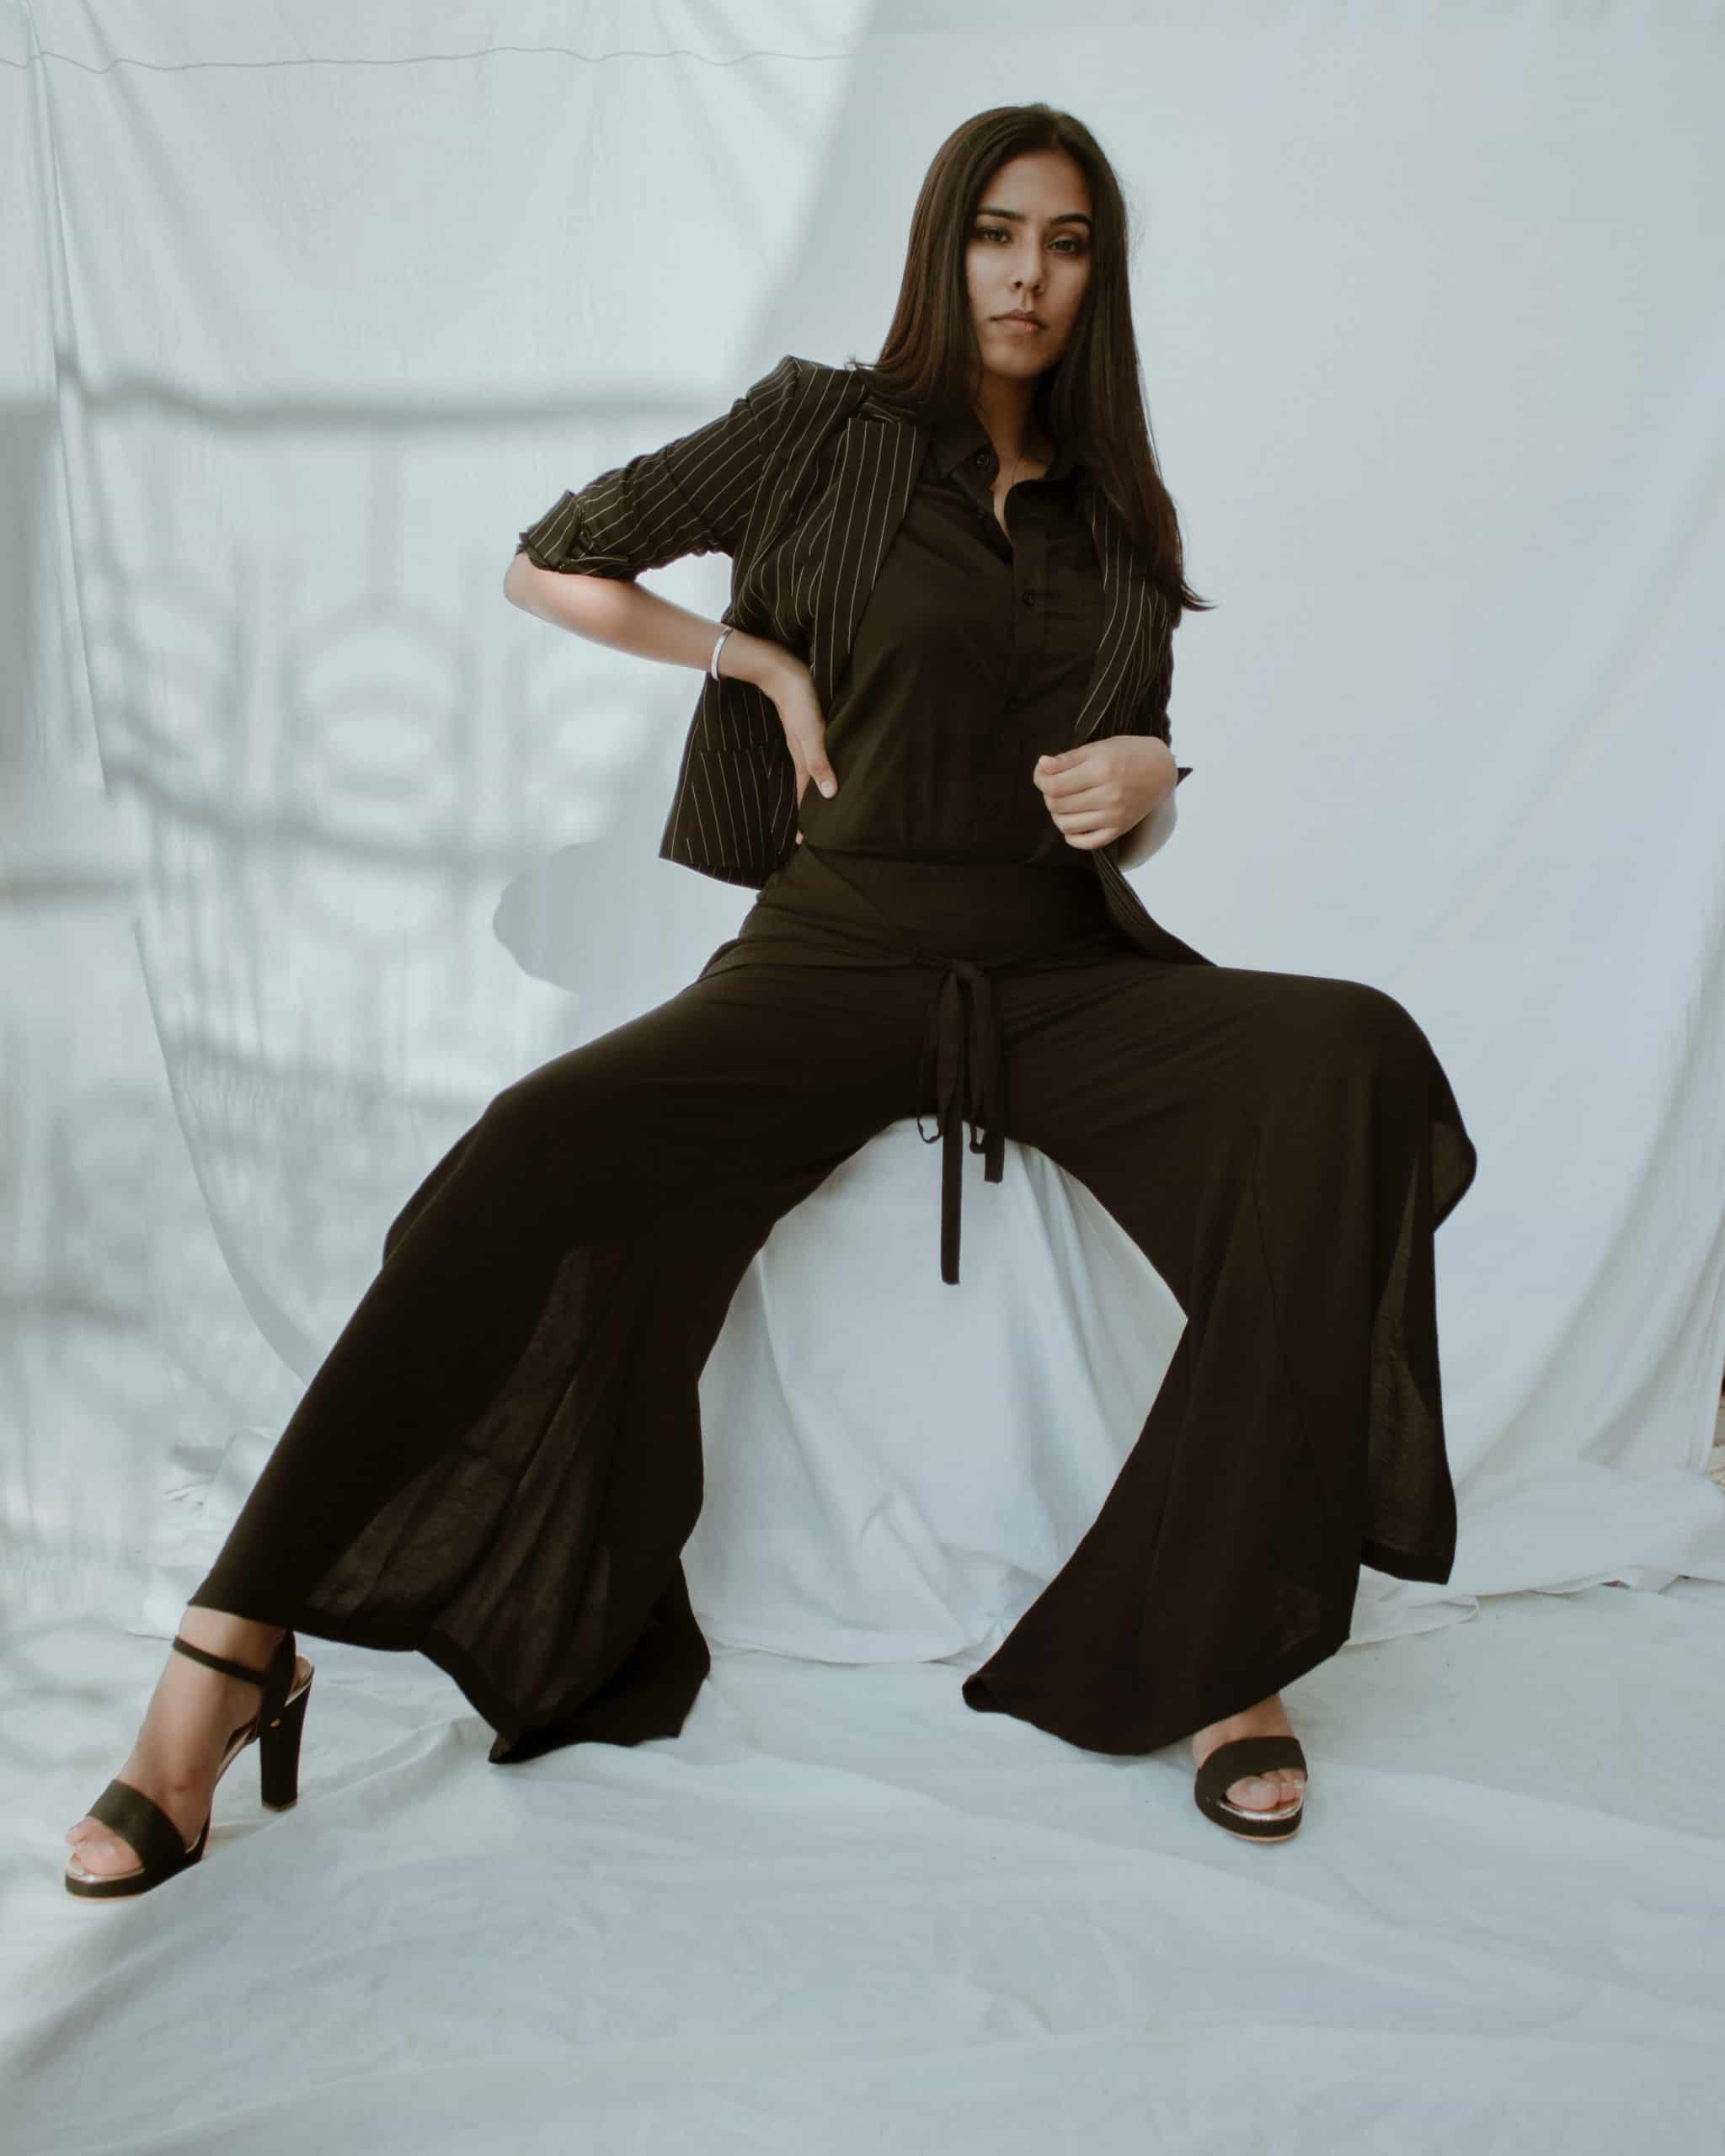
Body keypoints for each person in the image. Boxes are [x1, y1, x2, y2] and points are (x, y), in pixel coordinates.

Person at [64, 104, 1477, 1895]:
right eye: (995, 232)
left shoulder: (1121, 508)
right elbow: (551, 556)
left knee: (1347, 1051)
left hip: (1057, 969)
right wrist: (757, 662)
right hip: (830, 954)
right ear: (942, 246)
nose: (1027, 275)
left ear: (1099, 276)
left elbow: (1122, 783)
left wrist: (1155, 778)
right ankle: (228, 1654)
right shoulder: (821, 428)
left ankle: (1217, 1637)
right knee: (531, 1143)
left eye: (1065, 243)